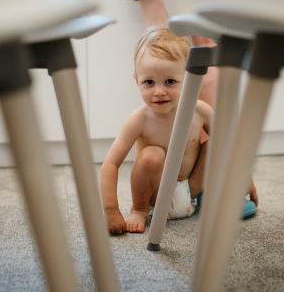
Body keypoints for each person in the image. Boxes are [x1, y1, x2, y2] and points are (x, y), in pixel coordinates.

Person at [100, 26, 258, 234]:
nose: (158, 91)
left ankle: (211, 194)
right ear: (136, 81)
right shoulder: (138, 120)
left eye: (170, 81)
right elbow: (110, 164)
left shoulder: (199, 111)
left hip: (191, 186)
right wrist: (111, 210)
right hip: (155, 194)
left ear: (189, 77)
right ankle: (138, 209)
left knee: (217, 143)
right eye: (148, 82)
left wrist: (245, 180)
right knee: (151, 155)